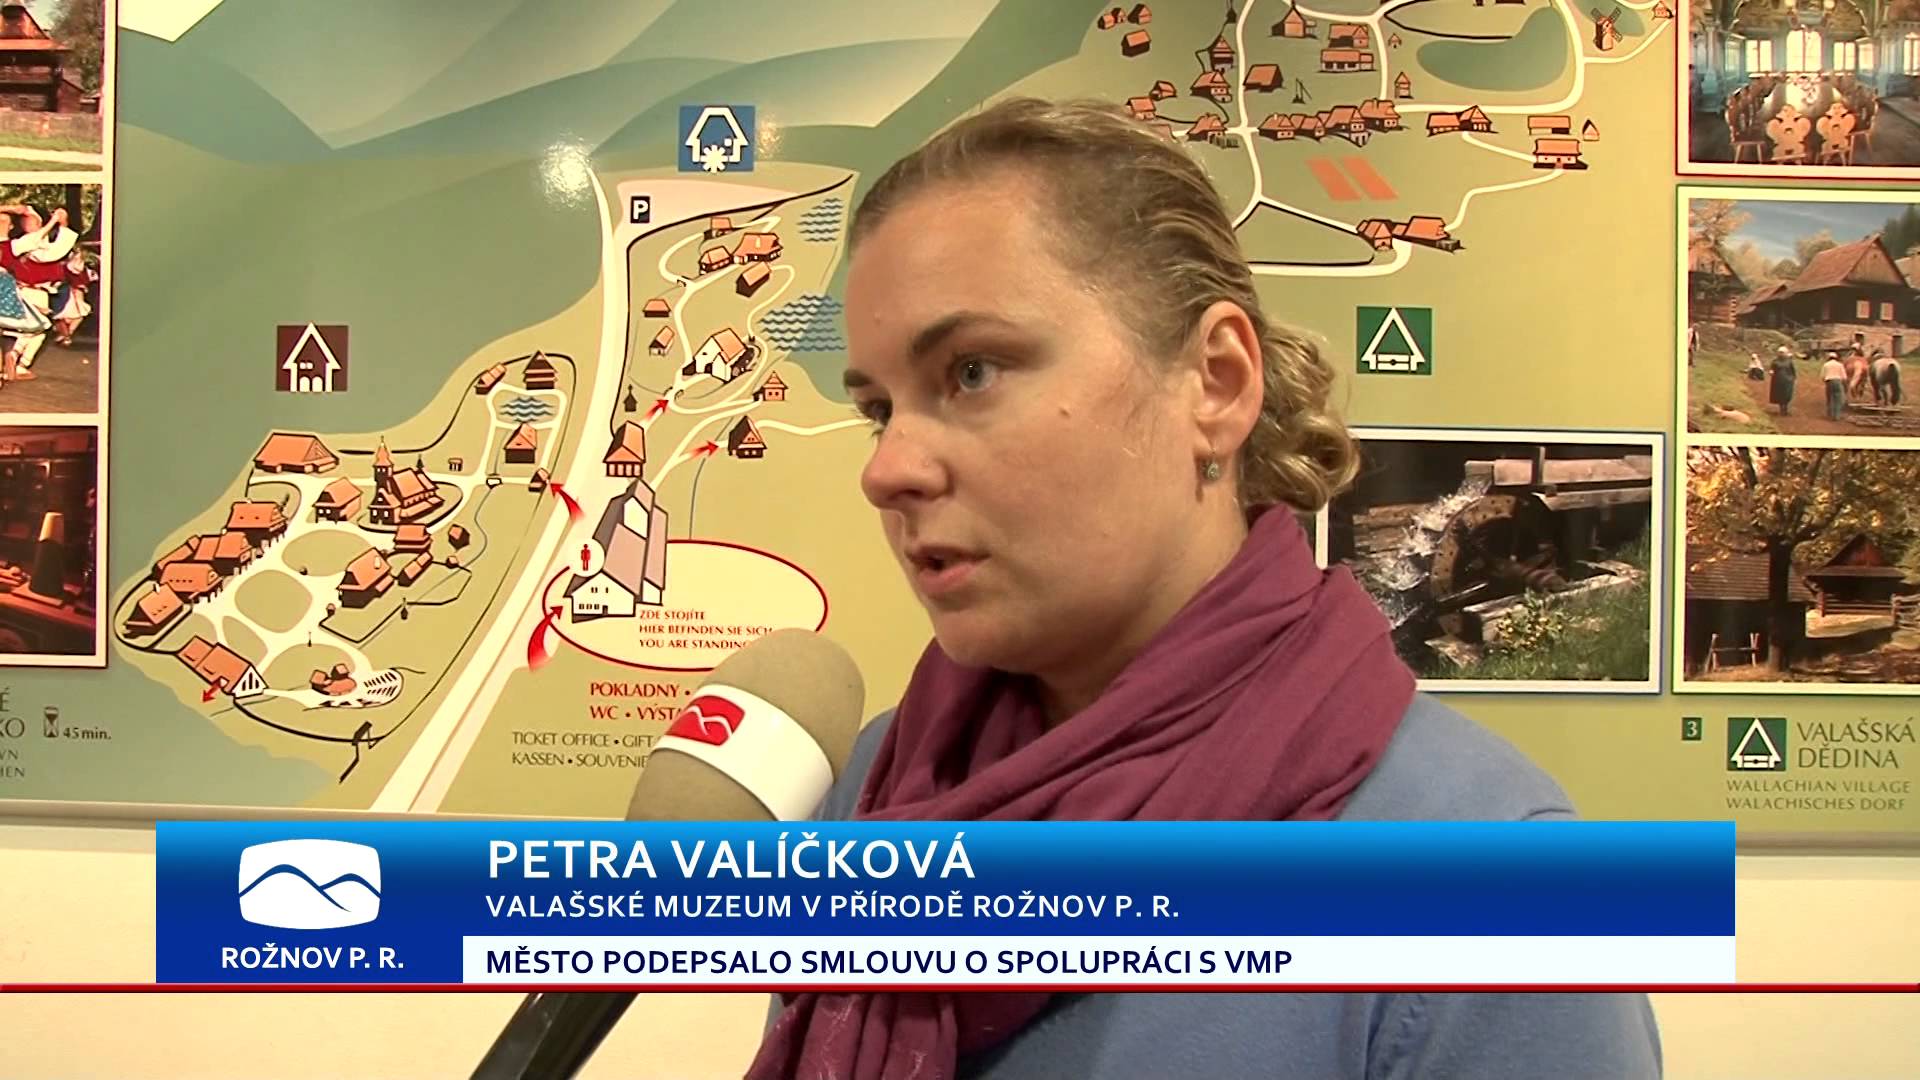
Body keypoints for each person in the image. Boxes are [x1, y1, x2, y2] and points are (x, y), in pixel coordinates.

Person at [749, 98, 1662, 1080]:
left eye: (971, 372)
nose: (887, 469)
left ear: (1216, 383)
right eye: (879, 408)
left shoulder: (1495, 892)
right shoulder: (882, 785)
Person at [1768, 345, 1797, 415]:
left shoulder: (1789, 362)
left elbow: (1793, 371)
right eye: (1780, 352)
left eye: (1782, 353)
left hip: (1788, 381)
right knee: (1780, 394)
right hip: (1778, 381)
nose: (1781, 354)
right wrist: (1771, 372)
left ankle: (1785, 408)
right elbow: (1771, 369)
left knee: (1787, 394)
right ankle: (1782, 409)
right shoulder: (1775, 361)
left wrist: (1793, 378)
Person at [1822, 350, 1849, 420]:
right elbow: (1844, 377)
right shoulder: (1840, 365)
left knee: (1829, 398)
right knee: (1838, 399)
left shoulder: (1826, 365)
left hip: (1829, 381)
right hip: (1837, 381)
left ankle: (1829, 414)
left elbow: (1823, 376)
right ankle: (1836, 416)